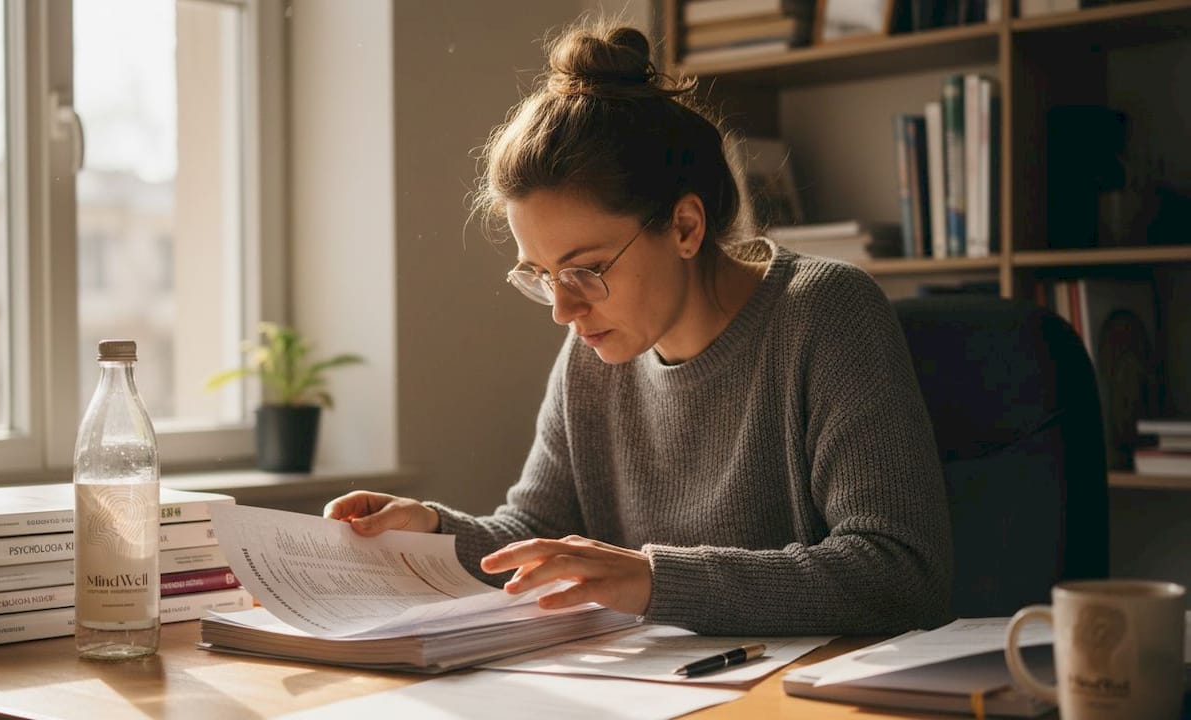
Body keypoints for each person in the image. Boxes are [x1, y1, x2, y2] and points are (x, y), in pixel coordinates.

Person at [325, 19, 952, 636]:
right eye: (539, 274)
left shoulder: (824, 313)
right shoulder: (590, 353)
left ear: (685, 227)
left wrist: (656, 581)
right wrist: (433, 532)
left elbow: (900, 573)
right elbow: (531, 534)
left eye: (586, 270)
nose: (562, 311)